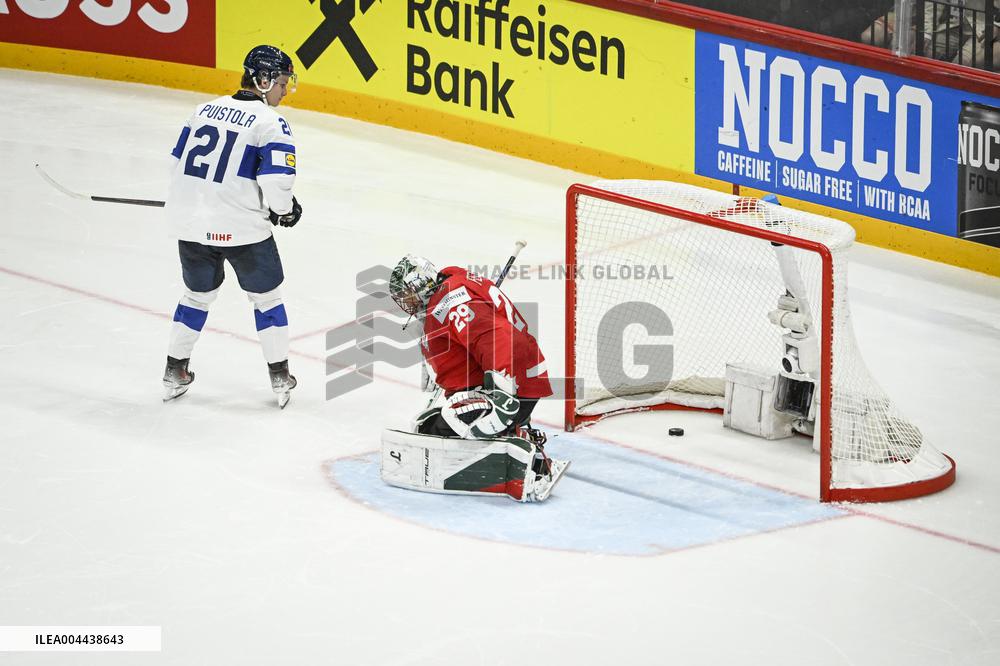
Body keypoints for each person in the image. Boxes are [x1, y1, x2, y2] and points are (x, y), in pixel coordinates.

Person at [162, 45, 303, 408]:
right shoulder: (270, 122)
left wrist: (195, 204)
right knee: (267, 299)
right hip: (242, 230)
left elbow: (176, 163)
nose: (285, 91)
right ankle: (279, 375)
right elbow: (277, 182)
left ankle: (175, 369)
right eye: (283, 82)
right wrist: (284, 211)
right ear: (263, 79)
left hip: (191, 224)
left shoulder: (203, 109)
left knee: (196, 297)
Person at [384, 255, 568, 502]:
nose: (407, 303)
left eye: (409, 294)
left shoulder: (453, 299)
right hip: (503, 383)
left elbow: (498, 338)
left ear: (422, 283)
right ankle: (514, 432)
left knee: (455, 419)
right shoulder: (450, 291)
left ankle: (528, 455)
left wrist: (501, 394)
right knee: (428, 425)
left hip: (511, 389)